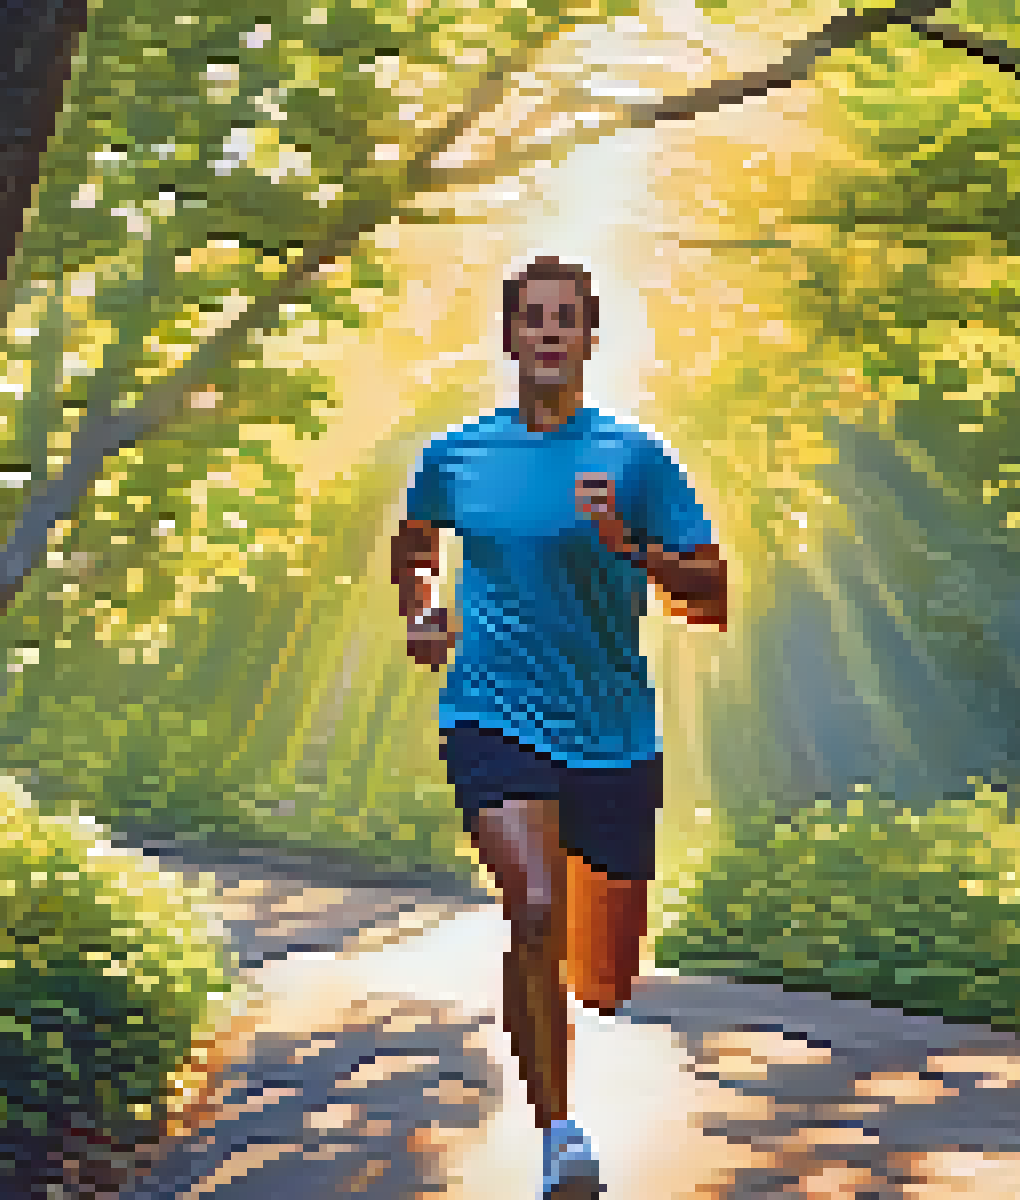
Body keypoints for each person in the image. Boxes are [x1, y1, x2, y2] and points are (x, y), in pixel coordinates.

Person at [391, 256, 727, 1197]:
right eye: (532, 318)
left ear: (588, 338)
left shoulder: (633, 457)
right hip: (492, 715)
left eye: (565, 319)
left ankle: (582, 994)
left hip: (614, 737)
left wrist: (633, 546)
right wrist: (421, 609)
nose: (547, 332)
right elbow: (416, 543)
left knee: (605, 979)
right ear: (509, 338)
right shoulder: (457, 454)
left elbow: (713, 594)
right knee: (533, 911)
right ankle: (558, 1135)